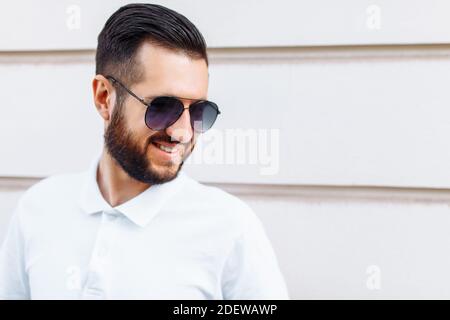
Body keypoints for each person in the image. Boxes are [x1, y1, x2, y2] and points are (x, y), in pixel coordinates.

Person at [0, 3, 289, 300]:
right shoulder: (38, 209)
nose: (184, 132)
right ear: (103, 98)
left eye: (200, 110)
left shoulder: (230, 227)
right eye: (164, 107)